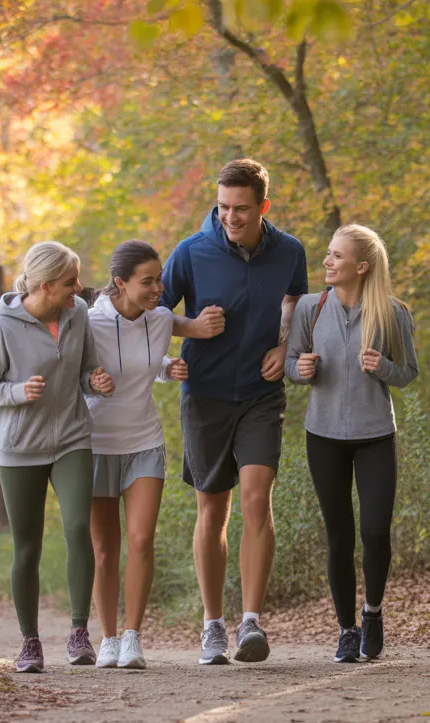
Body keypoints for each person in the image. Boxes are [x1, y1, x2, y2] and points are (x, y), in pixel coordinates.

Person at [161, 159, 308, 665]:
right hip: (205, 395)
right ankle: (211, 626)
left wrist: (285, 345)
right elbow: (151, 312)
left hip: (262, 395)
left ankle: (250, 622)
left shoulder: (289, 251)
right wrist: (191, 329)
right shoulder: (191, 252)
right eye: (223, 207)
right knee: (213, 508)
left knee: (255, 496)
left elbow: (299, 300)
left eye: (241, 209)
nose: (230, 218)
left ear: (263, 206)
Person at [0, 241, 115, 673]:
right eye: (71, 282)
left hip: (72, 437)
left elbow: (86, 371)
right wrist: (17, 392)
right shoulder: (2, 327)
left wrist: (97, 380)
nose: (79, 288)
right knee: (27, 546)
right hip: (19, 448)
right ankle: (29, 642)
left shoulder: (79, 315)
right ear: (46, 285)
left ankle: (78, 633)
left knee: (76, 527)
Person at [285, 224, 418, 662]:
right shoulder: (310, 306)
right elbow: (289, 362)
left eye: (337, 256)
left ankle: (373, 611)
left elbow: (408, 373)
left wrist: (383, 367)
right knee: (339, 536)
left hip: (376, 435)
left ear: (361, 266)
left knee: (375, 532)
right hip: (322, 435)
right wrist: (300, 369)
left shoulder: (392, 313)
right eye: (329, 253)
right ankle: (346, 630)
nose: (327, 261)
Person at [85, 241, 187, 670]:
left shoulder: (160, 319)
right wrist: (92, 382)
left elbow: (147, 356)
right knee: (105, 550)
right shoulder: (88, 323)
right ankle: (107, 638)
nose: (157, 289)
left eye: (159, 279)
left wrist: (167, 368)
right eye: (147, 282)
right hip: (95, 445)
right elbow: (68, 373)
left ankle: (132, 638)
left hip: (144, 441)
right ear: (120, 283)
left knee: (142, 539)